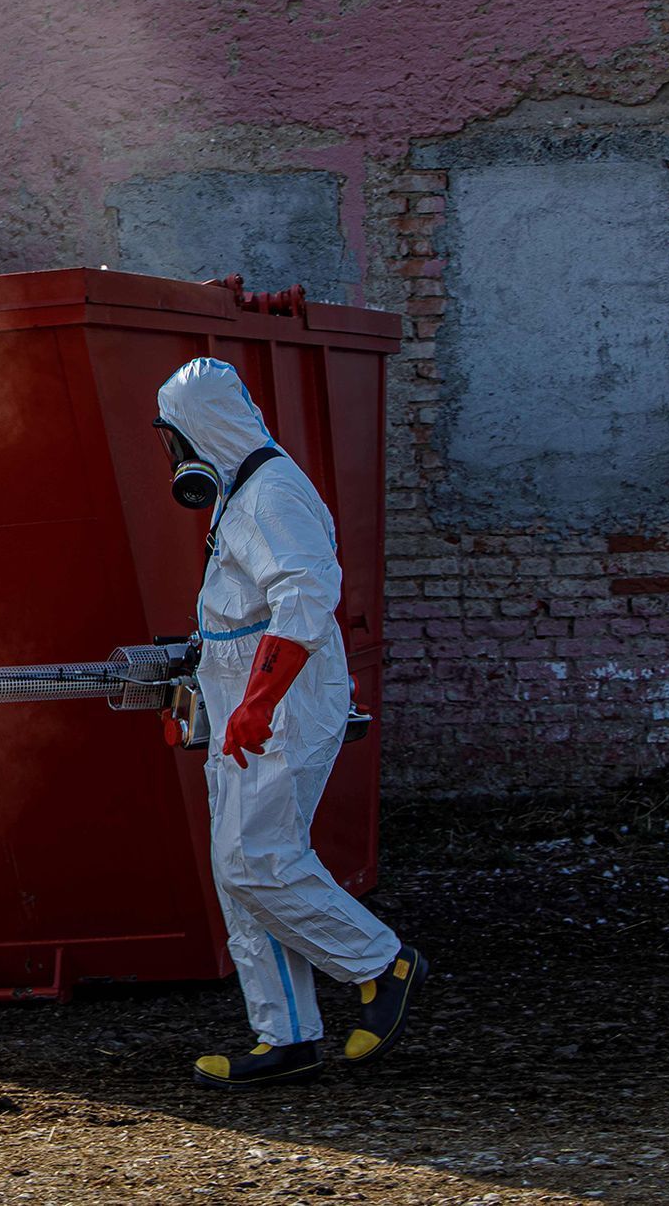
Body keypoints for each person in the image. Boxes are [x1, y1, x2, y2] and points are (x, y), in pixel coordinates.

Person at [153, 358, 426, 1089]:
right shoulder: (239, 494)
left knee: (256, 858)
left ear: (197, 430)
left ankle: (381, 963)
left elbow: (307, 595)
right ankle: (287, 1037)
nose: (172, 456)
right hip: (250, 705)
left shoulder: (271, 494)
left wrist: (258, 702)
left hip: (282, 709)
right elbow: (244, 610)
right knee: (239, 869)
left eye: (172, 438)